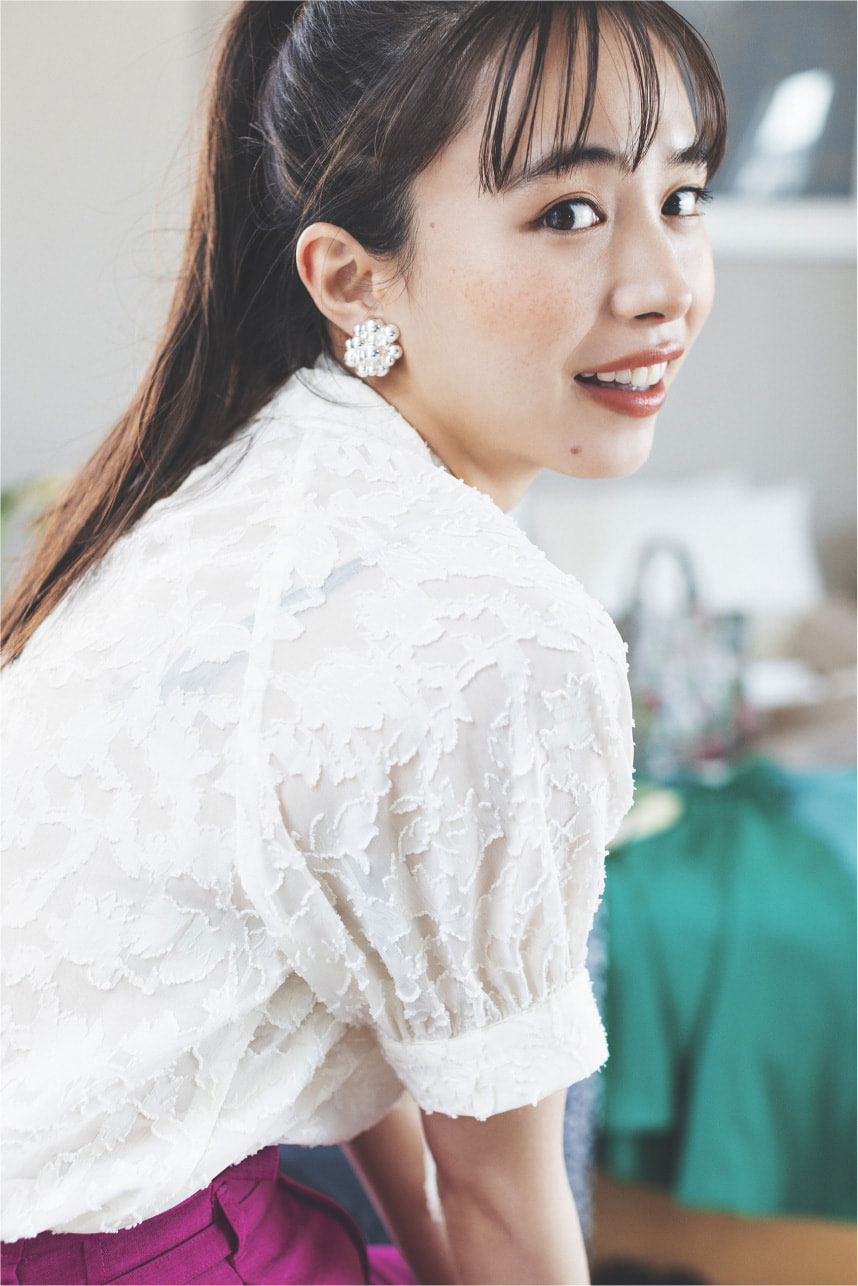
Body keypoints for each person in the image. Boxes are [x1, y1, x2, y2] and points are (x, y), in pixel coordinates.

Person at [0, 2, 726, 1283]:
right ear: (350, 277)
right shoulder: (495, 635)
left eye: (682, 197)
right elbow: (504, 1202)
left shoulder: (248, 471)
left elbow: (366, 963)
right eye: (569, 211)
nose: (663, 286)